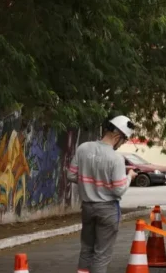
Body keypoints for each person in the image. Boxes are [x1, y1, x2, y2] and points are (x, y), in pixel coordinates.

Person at [67, 115, 137, 273]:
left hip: (87, 208)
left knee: (86, 250)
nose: (122, 144)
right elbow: (118, 189)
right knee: (101, 254)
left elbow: (71, 175)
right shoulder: (116, 158)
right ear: (118, 136)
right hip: (107, 210)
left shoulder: (83, 148)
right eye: (124, 140)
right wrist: (129, 177)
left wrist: (88, 182)